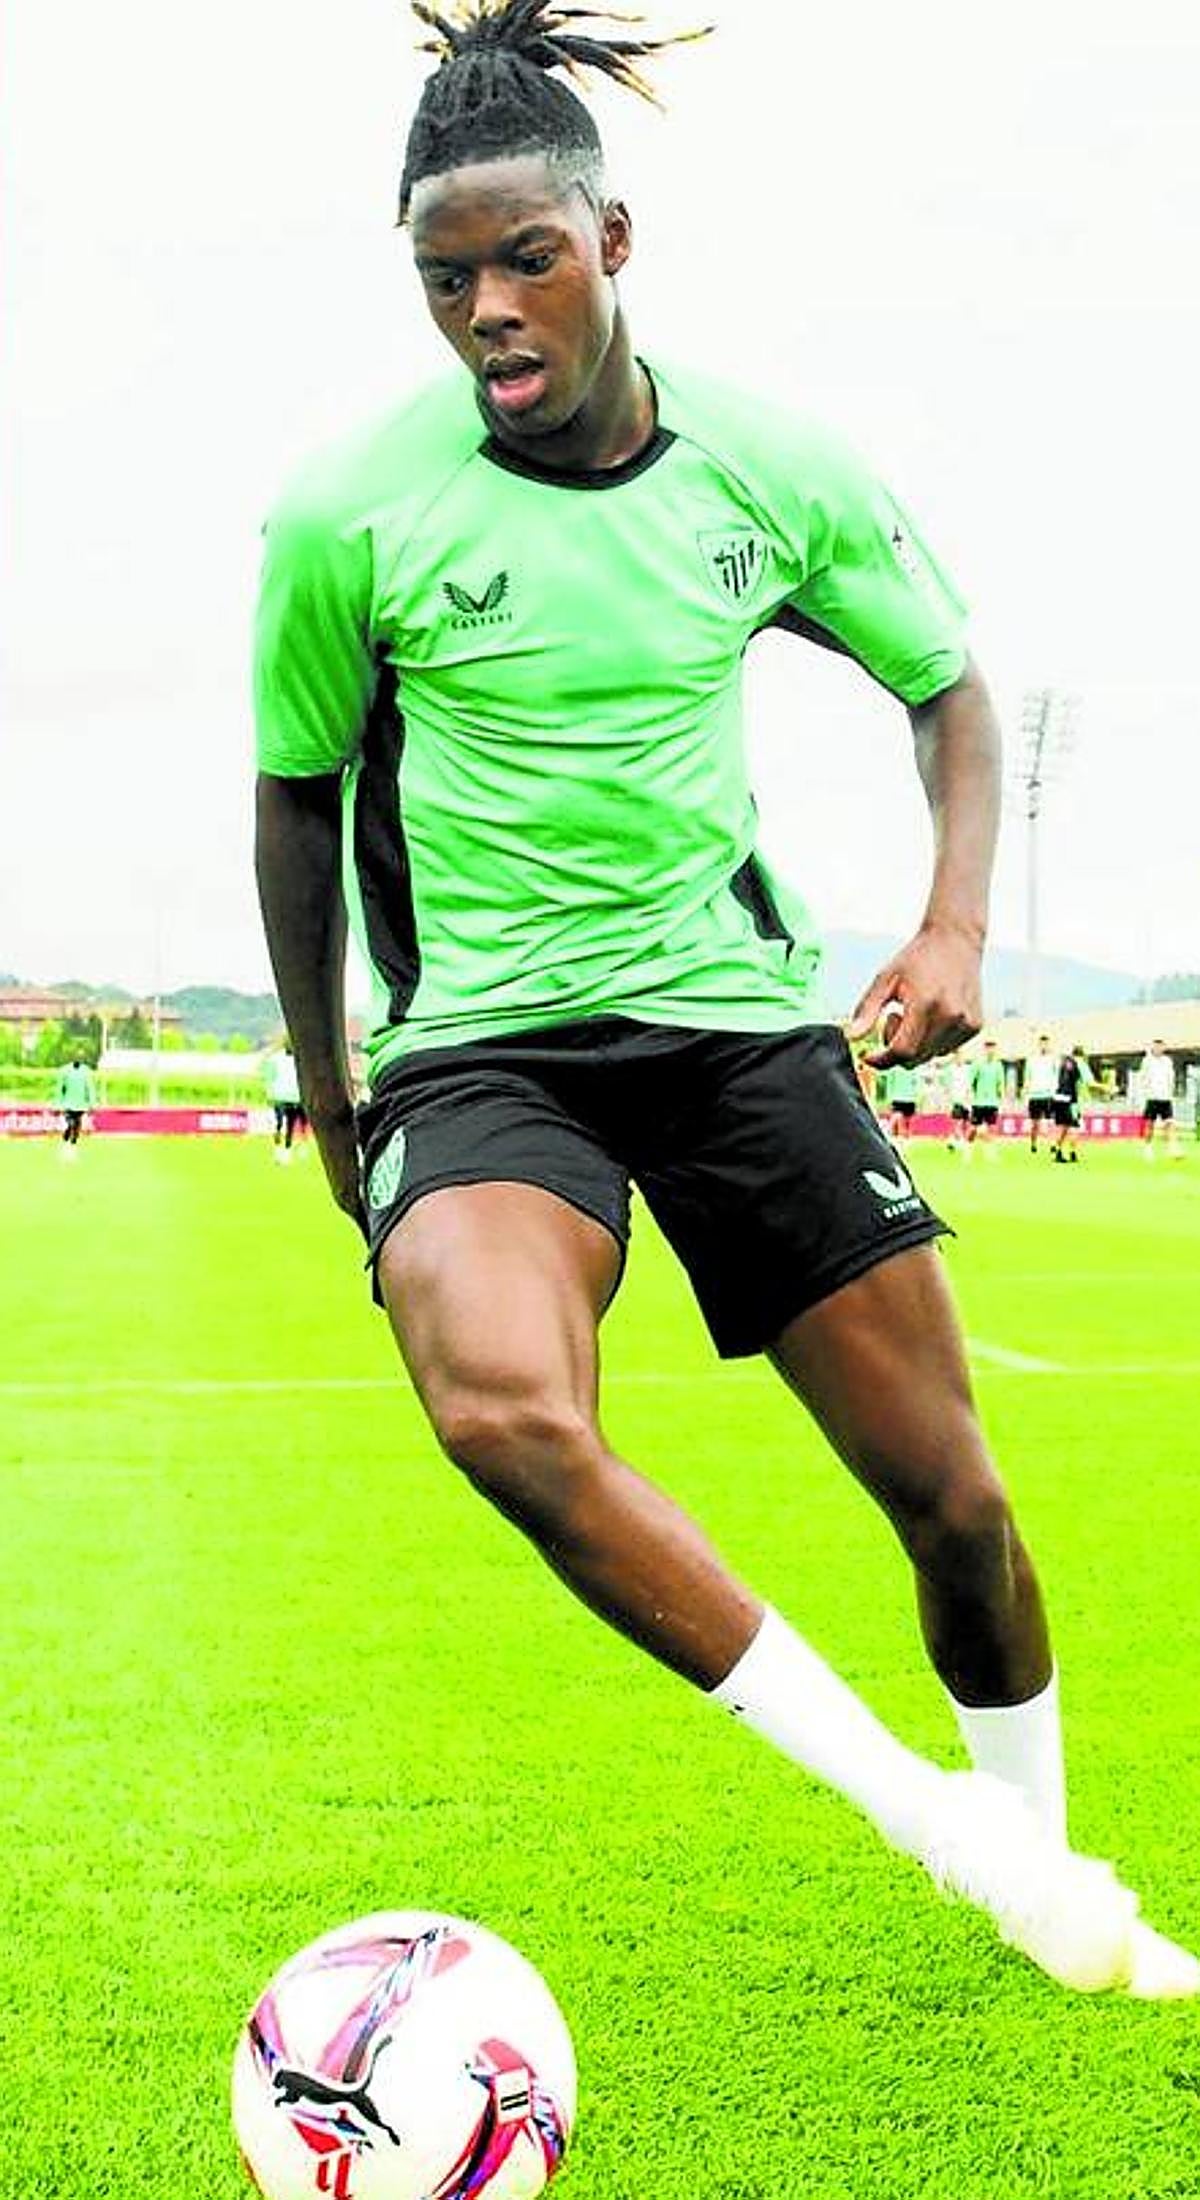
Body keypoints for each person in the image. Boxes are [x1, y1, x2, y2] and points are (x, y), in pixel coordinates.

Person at [252, 2, 1194, 1998]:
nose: (488, 313)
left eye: (526, 260)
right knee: (506, 1412)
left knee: (955, 1501)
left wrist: (955, 926)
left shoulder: (772, 466)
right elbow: (295, 796)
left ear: (613, 240)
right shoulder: (348, 514)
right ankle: (933, 1822)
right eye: (444, 279)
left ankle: (1036, 1859)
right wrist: (340, 1097)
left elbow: (945, 685)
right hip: (485, 1052)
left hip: (734, 1032)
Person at [1137, 1039, 1179, 1160]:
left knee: (1169, 1123)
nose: (1158, 1049)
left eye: (1161, 1046)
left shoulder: (1167, 1061)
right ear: (1153, 1047)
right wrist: (1145, 1093)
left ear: (1164, 1048)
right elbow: (1143, 1078)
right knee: (1150, 1124)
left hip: (1166, 1097)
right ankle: (1147, 1148)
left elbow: (1171, 1078)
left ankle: (1172, 1149)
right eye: (1156, 1046)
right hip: (1152, 1097)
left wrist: (1171, 1092)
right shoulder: (1147, 1061)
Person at [267, 1043, 307, 1162]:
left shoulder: (277, 1059)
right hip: (292, 1098)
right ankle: (286, 1150)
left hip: (283, 1098)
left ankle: (282, 1151)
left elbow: (270, 1077)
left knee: (282, 1125)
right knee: (289, 1126)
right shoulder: (297, 1062)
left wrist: (270, 1095)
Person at [1052, 1045, 1092, 1163]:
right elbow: (1090, 1082)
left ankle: (1058, 1152)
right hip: (1070, 1100)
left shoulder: (1064, 1063)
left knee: (1063, 1127)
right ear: (1082, 1055)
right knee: (1074, 1126)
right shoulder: (1080, 1064)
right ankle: (1073, 1154)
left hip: (1058, 1098)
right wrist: (1107, 1088)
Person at [1023, 1033, 1059, 1154]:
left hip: (1048, 1094)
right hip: (1034, 1095)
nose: (1044, 1046)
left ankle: (1052, 1144)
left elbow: (1057, 1075)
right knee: (1035, 1124)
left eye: (1046, 1044)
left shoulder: (1053, 1059)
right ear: (1039, 1045)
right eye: (1042, 1044)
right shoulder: (1031, 1059)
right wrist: (1025, 1093)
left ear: (1049, 1044)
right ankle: (1033, 1144)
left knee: (1051, 1121)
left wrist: (1056, 1091)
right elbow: (1027, 1078)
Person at [967, 1039, 1005, 1152]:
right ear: (984, 1049)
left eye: (992, 1048)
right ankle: (968, 1149)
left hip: (992, 1102)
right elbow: (970, 1082)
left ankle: (990, 1152)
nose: (990, 1051)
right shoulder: (977, 1064)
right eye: (988, 1048)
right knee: (973, 1129)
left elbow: (1000, 1084)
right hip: (979, 1102)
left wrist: (1001, 1100)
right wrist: (969, 1097)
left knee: (992, 1128)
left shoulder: (998, 1065)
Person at [55, 1055, 97, 1152]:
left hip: (81, 1104)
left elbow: (90, 1088)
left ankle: (73, 1143)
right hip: (68, 1104)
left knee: (77, 1124)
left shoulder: (86, 1071)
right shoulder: (65, 1071)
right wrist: (58, 1103)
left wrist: (92, 1103)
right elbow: (60, 1088)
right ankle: (66, 1138)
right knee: (70, 1123)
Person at [880, 1061, 918, 1141]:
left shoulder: (895, 1067)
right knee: (902, 1123)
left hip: (904, 1098)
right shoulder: (912, 1066)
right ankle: (895, 1136)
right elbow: (916, 1082)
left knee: (902, 1124)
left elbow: (916, 1082)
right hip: (905, 1098)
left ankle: (894, 1137)